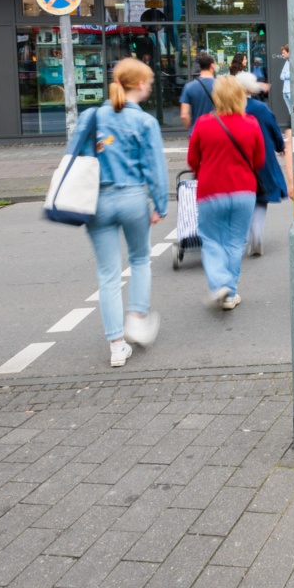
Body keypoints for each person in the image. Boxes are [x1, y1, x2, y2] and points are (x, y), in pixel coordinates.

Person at [72, 58, 169, 368]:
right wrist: (160, 203)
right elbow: (154, 168)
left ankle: (116, 345)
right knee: (140, 260)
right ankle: (137, 318)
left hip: (97, 200)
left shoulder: (92, 116)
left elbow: (76, 158)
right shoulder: (144, 122)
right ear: (139, 84)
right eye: (149, 81)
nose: (151, 85)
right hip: (132, 198)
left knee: (107, 274)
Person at [187, 76, 264, 309]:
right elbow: (259, 160)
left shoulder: (202, 123)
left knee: (211, 240)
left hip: (211, 190)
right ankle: (230, 293)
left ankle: (220, 283)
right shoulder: (251, 122)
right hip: (244, 191)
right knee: (235, 242)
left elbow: (192, 160)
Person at [244, 90, 289, 258]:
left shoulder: (227, 109)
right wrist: (280, 146)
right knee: (262, 195)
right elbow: (273, 127)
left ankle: (248, 232)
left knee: (244, 197)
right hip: (262, 156)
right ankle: (256, 233)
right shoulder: (260, 108)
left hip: (237, 159)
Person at [179, 51, 216, 129]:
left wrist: (192, 128)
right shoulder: (220, 85)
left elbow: (184, 115)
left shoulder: (188, 87)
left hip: (196, 131)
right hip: (215, 130)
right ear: (212, 66)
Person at [278, 44, 292, 110]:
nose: (282, 55)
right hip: (285, 90)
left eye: (283, 53)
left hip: (291, 90)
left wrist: (285, 74)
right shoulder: (286, 62)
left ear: (289, 52)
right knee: (290, 111)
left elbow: (293, 74)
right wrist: (287, 74)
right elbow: (281, 76)